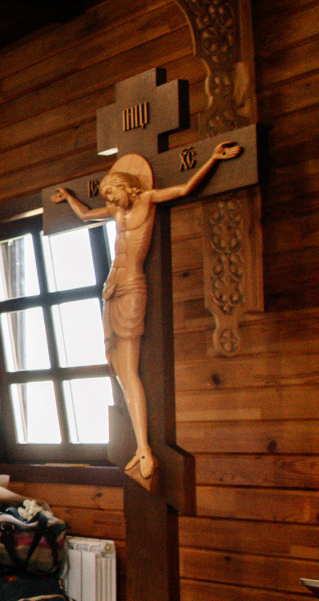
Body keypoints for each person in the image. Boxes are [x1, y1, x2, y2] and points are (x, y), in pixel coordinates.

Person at [50, 140, 240, 485]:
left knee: (131, 370)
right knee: (121, 372)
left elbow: (183, 188)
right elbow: (86, 215)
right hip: (111, 288)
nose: (109, 203)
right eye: (106, 198)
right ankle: (141, 446)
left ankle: (143, 447)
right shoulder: (114, 212)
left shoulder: (148, 200)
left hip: (133, 286)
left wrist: (211, 159)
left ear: (127, 188)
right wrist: (70, 198)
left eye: (112, 195)